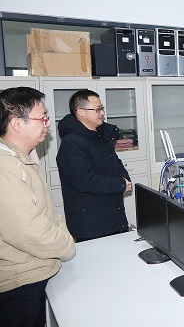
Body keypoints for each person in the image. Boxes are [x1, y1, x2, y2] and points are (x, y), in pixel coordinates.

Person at [0, 87, 75, 327]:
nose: (48, 124)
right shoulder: (6, 168)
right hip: (20, 282)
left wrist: (62, 238)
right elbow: (28, 231)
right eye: (42, 118)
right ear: (17, 124)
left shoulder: (24, 158)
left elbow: (48, 213)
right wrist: (67, 246)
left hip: (37, 268)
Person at [57, 89, 132, 242]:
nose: (102, 113)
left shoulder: (101, 136)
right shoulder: (72, 143)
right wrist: (120, 184)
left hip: (114, 218)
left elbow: (115, 162)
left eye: (101, 108)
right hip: (92, 225)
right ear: (81, 112)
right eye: (97, 109)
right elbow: (85, 180)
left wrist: (125, 179)